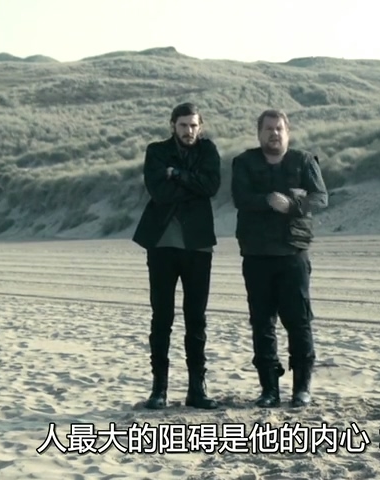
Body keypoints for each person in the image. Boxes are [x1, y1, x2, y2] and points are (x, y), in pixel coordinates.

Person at [230, 109, 328, 408]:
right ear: (259, 132)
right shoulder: (244, 162)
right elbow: (240, 198)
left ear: (288, 132)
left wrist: (292, 206)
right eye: (268, 129)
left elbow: (320, 198)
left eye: (279, 129)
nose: (274, 134)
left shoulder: (304, 161)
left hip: (293, 254)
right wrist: (267, 201)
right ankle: (269, 389)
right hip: (256, 254)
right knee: (262, 324)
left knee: (299, 322)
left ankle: (301, 389)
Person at [132, 102, 221, 410]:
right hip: (161, 244)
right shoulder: (157, 151)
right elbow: (159, 192)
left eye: (194, 125)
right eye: (183, 125)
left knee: (196, 319)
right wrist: (191, 182)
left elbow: (211, 186)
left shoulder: (208, 151)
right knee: (162, 317)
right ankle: (159, 389)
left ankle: (197, 388)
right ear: (173, 125)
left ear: (200, 126)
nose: (188, 131)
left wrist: (177, 174)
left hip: (198, 244)